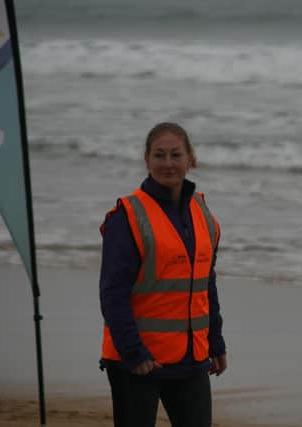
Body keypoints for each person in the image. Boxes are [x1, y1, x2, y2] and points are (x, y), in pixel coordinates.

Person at [98, 122, 227, 427]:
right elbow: (112, 294)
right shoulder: (128, 216)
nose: (167, 163)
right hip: (138, 362)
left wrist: (215, 340)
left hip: (191, 359)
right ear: (146, 159)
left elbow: (206, 284)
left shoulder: (202, 212)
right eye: (159, 155)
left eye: (175, 155)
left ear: (190, 158)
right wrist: (134, 352)